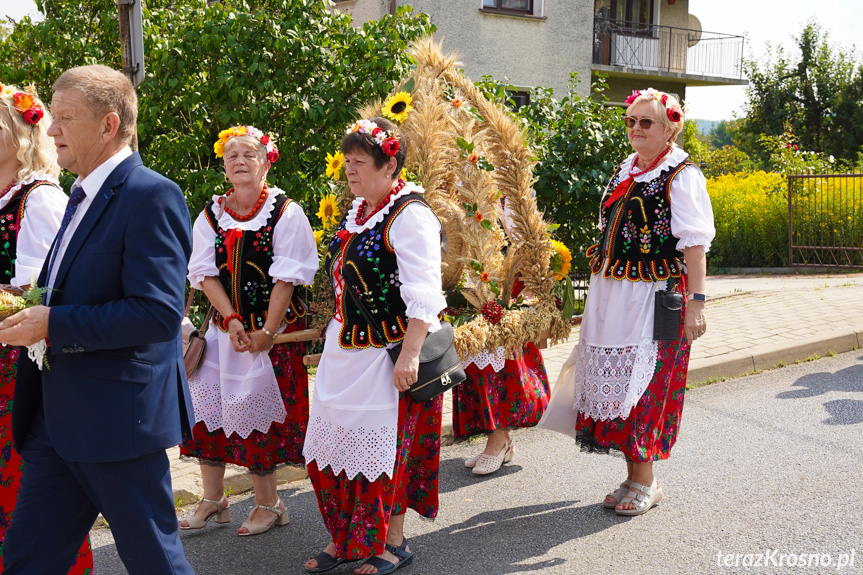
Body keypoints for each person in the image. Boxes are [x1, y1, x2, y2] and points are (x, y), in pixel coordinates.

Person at [0, 65, 195, 573]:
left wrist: (52, 326)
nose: (52, 129)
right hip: (56, 420)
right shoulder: (80, 194)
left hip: (118, 423)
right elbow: (66, 291)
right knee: (26, 560)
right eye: (52, 117)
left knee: (156, 564)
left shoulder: (152, 195)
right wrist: (22, 308)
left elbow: (157, 313)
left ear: (109, 126)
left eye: (65, 117)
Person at [540, 88, 714, 516]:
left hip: (656, 297)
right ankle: (634, 475)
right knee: (618, 386)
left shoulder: (681, 174)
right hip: (613, 294)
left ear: (670, 127)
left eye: (646, 122)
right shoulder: (628, 169)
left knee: (648, 385)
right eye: (631, 121)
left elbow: (694, 244)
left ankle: (647, 480)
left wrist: (697, 302)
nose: (636, 128)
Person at [302, 117, 446, 574]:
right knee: (334, 444)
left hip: (388, 354)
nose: (349, 170)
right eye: (347, 162)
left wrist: (409, 354)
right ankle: (345, 538)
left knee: (390, 450)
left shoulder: (410, 215)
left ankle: (393, 542)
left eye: (359, 162)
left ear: (389, 166)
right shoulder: (360, 212)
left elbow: (425, 292)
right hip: (345, 351)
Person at [179, 125, 318, 536]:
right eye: (232, 156)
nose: (239, 161)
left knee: (260, 419)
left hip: (271, 338)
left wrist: (267, 332)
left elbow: (286, 278)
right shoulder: (212, 214)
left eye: (248, 154)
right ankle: (214, 499)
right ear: (224, 168)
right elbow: (203, 273)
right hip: (225, 333)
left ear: (266, 162)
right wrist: (234, 319)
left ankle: (269, 503)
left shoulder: (285, 213)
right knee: (209, 415)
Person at [0, 82, 92, 572]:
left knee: (29, 499)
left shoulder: (39, 200)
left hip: (17, 371)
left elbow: (51, 291)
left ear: (19, 135)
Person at [453, 199, 551, 474]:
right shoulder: (464, 179)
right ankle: (499, 439)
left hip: (502, 284)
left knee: (497, 366)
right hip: (471, 281)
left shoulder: (506, 191)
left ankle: (497, 439)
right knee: (473, 365)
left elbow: (526, 237)